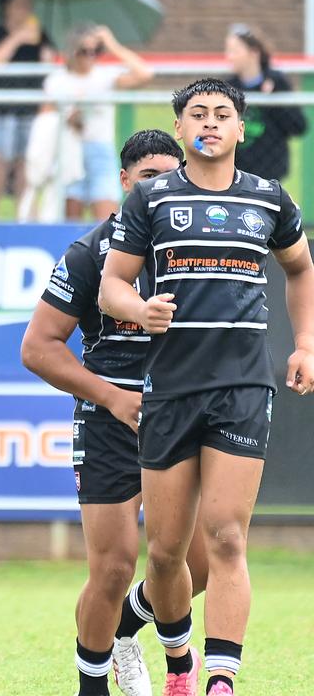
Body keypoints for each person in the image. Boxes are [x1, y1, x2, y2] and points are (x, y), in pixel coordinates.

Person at [100, 79, 314, 696]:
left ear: (241, 129)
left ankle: (222, 679)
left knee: (226, 534)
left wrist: (304, 343)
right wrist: (137, 310)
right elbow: (113, 284)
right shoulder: (154, 201)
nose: (212, 123)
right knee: (166, 554)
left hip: (243, 386)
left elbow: (300, 267)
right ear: (181, 125)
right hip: (169, 390)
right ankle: (177, 657)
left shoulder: (270, 200)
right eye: (199, 114)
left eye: (224, 114)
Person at [23, 129, 212, 696]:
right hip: (111, 421)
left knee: (192, 566)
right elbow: (38, 348)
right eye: (147, 178)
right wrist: (111, 396)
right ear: (125, 183)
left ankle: (129, 629)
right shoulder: (89, 252)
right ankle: (95, 685)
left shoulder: (203, 246)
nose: (160, 188)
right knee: (111, 568)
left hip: (185, 418)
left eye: (170, 176)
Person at [41, 25, 152, 221]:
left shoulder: (104, 76)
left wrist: (112, 44)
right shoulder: (57, 80)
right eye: (85, 51)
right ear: (72, 51)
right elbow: (46, 119)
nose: (90, 56)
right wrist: (72, 116)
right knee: (71, 224)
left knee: (107, 222)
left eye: (96, 51)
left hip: (101, 151)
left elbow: (144, 73)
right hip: (70, 152)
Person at [0, 0, 55, 219]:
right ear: (5, 7)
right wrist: (17, 38)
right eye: (20, 4)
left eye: (29, 5)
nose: (26, 10)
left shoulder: (42, 38)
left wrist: (48, 57)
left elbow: (52, 75)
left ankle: (27, 234)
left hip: (29, 116)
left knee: (26, 184)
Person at [224, 23, 307, 182]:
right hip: (237, 176)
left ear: (254, 52)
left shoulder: (276, 82)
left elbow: (298, 126)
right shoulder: (228, 88)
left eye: (235, 51)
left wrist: (271, 99)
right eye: (228, 51)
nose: (229, 56)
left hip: (271, 174)